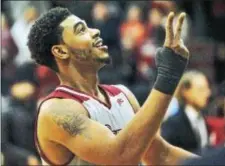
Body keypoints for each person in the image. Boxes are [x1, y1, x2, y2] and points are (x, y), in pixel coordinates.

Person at [28, 7, 197, 165]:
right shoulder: (56, 111)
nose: (95, 31)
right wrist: (167, 76)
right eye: (81, 30)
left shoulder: (122, 95)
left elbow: (161, 155)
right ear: (61, 51)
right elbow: (121, 157)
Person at [161, 71, 212, 153]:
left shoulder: (204, 121)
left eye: (207, 88)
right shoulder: (172, 124)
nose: (208, 93)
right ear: (186, 92)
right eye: (201, 89)